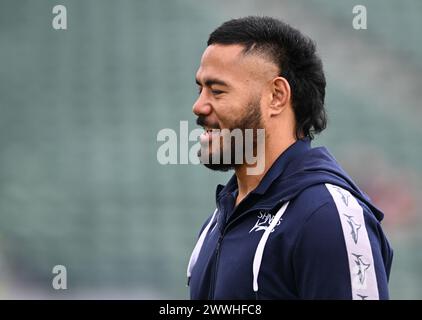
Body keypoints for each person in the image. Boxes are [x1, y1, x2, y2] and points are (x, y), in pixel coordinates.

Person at [186, 16, 393, 300]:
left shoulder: (325, 216)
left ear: (276, 96)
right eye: (200, 89)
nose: (199, 106)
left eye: (217, 91)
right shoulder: (217, 221)